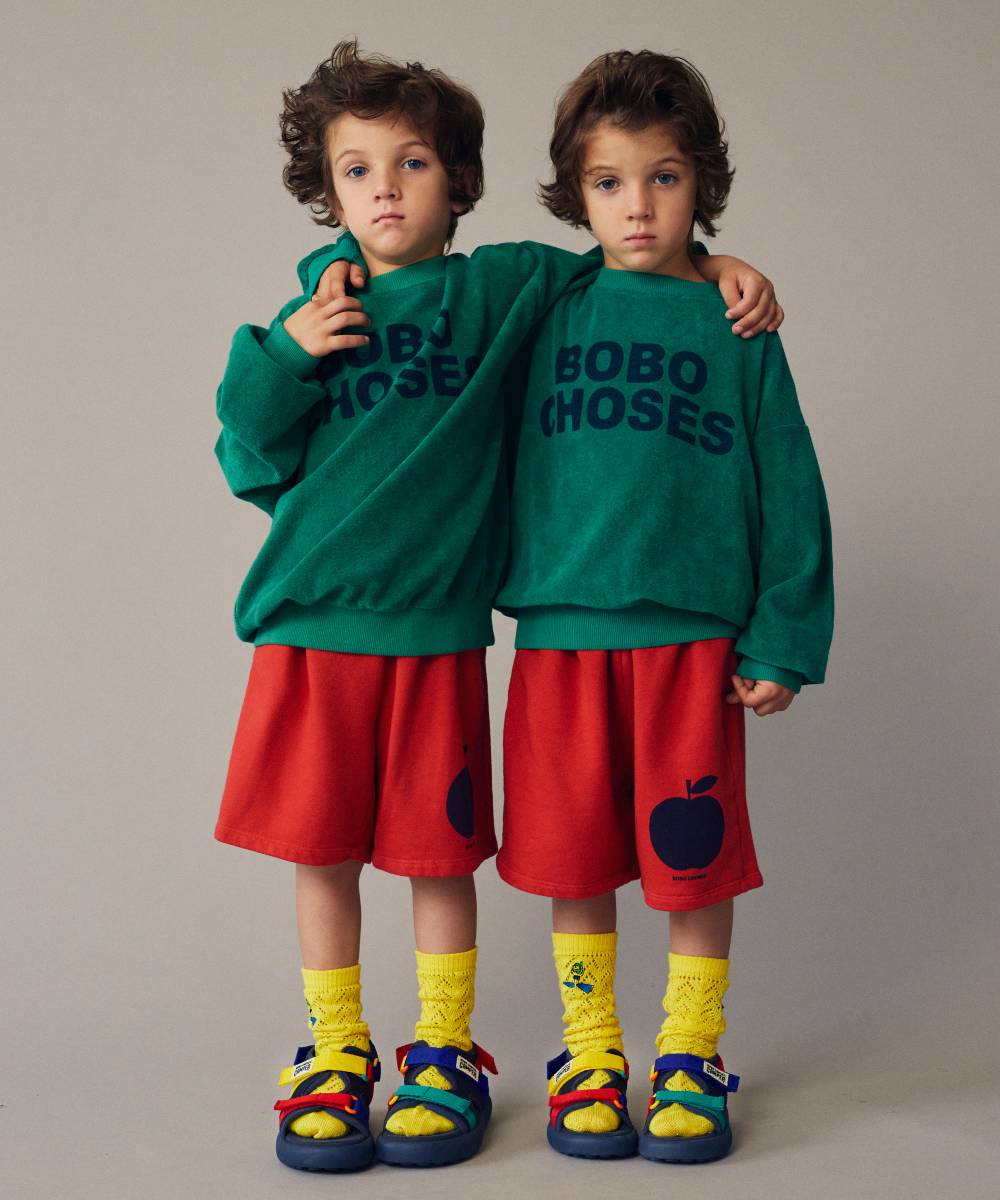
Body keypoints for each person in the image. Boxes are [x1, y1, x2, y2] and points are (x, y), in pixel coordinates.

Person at [217, 39, 781, 1172]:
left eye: (413, 162)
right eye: (357, 167)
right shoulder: (313, 311)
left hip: (435, 633)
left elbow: (626, 260)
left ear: (458, 183)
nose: (384, 186)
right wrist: (282, 350)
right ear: (325, 192)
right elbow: (247, 452)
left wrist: (722, 266)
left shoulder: (506, 288)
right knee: (319, 854)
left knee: (437, 855)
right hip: (309, 625)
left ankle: (445, 1050)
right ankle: (334, 1050)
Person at [494, 49, 834, 1165]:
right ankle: (590, 1051)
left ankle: (690, 1051)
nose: (636, 207)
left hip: (692, 639)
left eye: (664, 179)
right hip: (561, 634)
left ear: (702, 185)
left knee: (693, 861)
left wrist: (782, 631)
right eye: (608, 183)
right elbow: (420, 270)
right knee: (575, 861)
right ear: (574, 192)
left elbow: (790, 487)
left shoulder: (737, 329)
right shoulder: (543, 299)